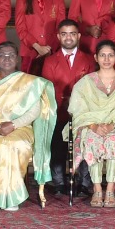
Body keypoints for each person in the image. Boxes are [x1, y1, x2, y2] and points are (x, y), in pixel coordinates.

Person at [0, 43, 56, 211]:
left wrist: (12, 125)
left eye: (11, 55)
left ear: (18, 58)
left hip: (20, 128)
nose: (7, 59)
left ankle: (11, 197)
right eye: (3, 55)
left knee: (12, 145)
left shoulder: (29, 82)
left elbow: (33, 112)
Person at [66, 40, 115, 207]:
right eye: (102, 55)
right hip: (91, 126)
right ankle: (97, 189)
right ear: (96, 58)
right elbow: (77, 108)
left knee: (114, 141)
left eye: (110, 55)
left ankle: (110, 188)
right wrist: (93, 126)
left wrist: (112, 126)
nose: (106, 59)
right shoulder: (86, 82)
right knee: (92, 140)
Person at [37, 19, 92, 185]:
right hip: (58, 109)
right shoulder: (50, 61)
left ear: (79, 36)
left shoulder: (89, 60)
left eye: (72, 34)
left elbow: (90, 88)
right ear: (58, 37)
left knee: (85, 137)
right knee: (56, 136)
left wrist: (76, 103)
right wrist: (64, 103)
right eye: (64, 34)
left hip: (83, 111)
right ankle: (59, 181)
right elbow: (48, 89)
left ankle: (84, 181)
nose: (69, 38)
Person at [15, 0, 67, 68]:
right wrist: (38, 47)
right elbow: (21, 28)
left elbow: (61, 27)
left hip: (52, 50)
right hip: (29, 50)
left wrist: (49, 48)